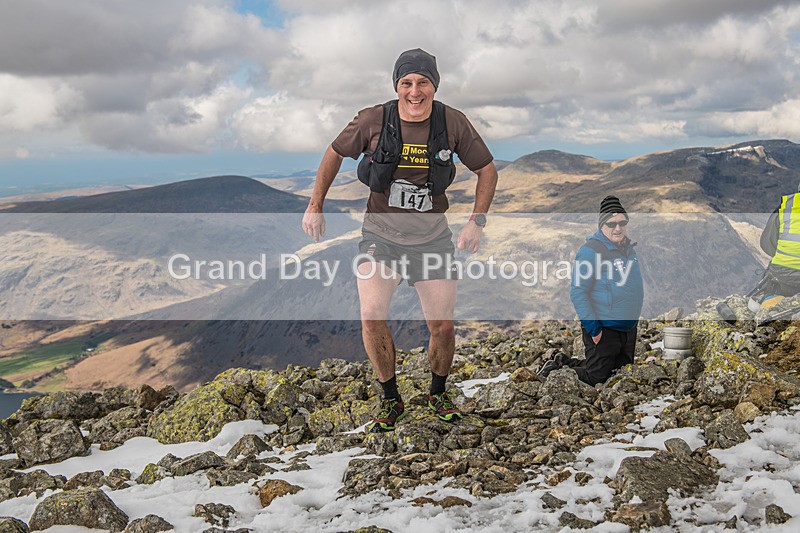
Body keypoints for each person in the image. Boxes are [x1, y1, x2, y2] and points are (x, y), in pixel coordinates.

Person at [301, 48, 498, 432]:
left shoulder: (452, 122)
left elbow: (487, 171)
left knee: (441, 326)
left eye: (423, 82)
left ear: (434, 86)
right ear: (397, 86)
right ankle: (390, 399)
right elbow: (334, 152)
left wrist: (477, 222)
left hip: (432, 239)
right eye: (406, 82)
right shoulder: (374, 119)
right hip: (381, 236)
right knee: (372, 315)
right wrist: (315, 203)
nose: (414, 91)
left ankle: (438, 392)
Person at [539, 196, 643, 385]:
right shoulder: (591, 251)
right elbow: (578, 292)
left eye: (622, 222)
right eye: (612, 224)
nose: (618, 228)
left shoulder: (628, 249)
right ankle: (556, 369)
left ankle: (562, 361)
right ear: (602, 225)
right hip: (604, 327)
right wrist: (594, 328)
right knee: (597, 378)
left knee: (619, 372)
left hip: (627, 328)